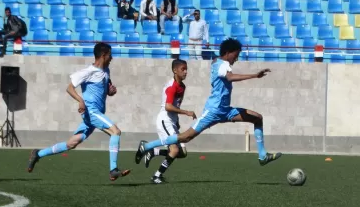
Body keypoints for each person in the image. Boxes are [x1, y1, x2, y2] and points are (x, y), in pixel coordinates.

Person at [136, 38, 282, 167]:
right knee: (186, 137)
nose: (236, 59)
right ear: (228, 52)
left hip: (225, 111)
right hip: (213, 111)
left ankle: (262, 155)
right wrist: (255, 75)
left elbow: (220, 68)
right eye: (235, 55)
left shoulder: (218, 62)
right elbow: (230, 77)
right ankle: (147, 146)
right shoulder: (222, 64)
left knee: (257, 118)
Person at [27, 42, 130, 181]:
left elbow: (105, 90)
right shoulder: (88, 71)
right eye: (110, 55)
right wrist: (80, 100)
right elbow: (69, 88)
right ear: (103, 55)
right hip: (91, 112)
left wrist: (110, 91)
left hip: (96, 113)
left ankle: (38, 154)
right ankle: (113, 169)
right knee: (115, 131)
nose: (112, 58)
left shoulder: (106, 72)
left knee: (72, 143)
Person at [149, 59, 196, 184]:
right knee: (174, 150)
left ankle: (154, 151)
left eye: (186, 69)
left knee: (182, 152)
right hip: (165, 120)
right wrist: (186, 112)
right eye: (183, 69)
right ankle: (156, 176)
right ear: (175, 70)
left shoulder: (182, 86)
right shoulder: (172, 86)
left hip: (172, 121)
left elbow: (176, 105)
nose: (186, 72)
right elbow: (168, 106)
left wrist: (177, 120)